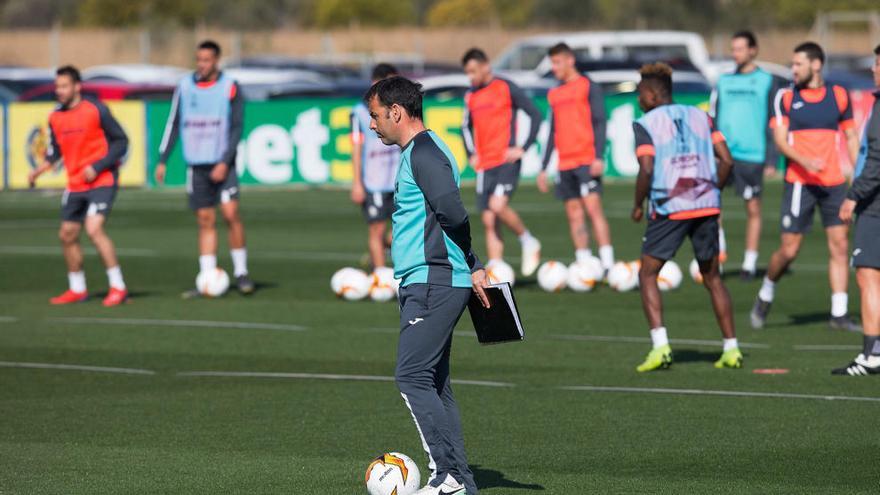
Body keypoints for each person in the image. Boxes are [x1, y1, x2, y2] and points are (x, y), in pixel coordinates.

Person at [364, 75, 489, 495]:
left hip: (433, 281)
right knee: (434, 382)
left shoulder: (425, 153)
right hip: (432, 279)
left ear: (396, 112)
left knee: (412, 376)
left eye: (376, 115)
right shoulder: (423, 151)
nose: (372, 124)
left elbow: (453, 212)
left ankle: (448, 477)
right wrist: (470, 264)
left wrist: (471, 261)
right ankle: (461, 481)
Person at [631, 63, 742, 372]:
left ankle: (660, 347)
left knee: (648, 273)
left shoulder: (645, 122)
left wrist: (637, 205)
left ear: (652, 95)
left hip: (671, 206)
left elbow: (647, 168)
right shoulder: (701, 115)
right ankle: (732, 349)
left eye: (641, 93)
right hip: (706, 206)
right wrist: (710, 191)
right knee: (713, 277)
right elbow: (727, 161)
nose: (639, 99)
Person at [750, 42, 861, 331]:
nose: (793, 69)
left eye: (798, 64)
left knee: (839, 246)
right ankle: (766, 291)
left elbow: (850, 138)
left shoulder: (838, 96)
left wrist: (858, 175)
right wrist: (805, 161)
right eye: (792, 64)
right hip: (800, 183)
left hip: (834, 185)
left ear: (816, 65)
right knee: (789, 251)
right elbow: (780, 140)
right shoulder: (785, 97)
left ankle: (839, 313)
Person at [156, 39, 254, 295]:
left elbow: (236, 126)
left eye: (206, 60)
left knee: (231, 214)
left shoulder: (230, 87)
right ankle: (207, 277)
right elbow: (174, 123)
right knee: (205, 219)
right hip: (196, 165)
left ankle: (241, 272)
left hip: (223, 163)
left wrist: (225, 161)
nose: (201, 64)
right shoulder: (185, 86)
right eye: (198, 59)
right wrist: (163, 159)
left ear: (216, 61)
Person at [28, 65, 129, 307]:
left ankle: (118, 286)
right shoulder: (55, 117)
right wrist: (39, 170)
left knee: (94, 229)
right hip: (75, 183)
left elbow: (121, 141)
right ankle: (77, 288)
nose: (59, 91)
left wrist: (99, 165)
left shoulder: (96, 110)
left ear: (77, 87)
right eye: (57, 86)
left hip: (102, 180)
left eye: (64, 86)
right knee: (67, 234)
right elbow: (56, 152)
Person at [461, 48, 542, 276]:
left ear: (486, 66)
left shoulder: (505, 87)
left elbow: (535, 114)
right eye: (467, 72)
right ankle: (496, 266)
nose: (471, 76)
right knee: (488, 218)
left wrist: (522, 148)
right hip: (484, 165)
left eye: (473, 71)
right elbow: (464, 126)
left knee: (497, 206)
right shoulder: (471, 95)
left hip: (506, 160)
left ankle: (528, 241)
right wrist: (471, 153)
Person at [538, 42, 615, 273]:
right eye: (552, 63)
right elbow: (553, 130)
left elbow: (600, 121)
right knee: (573, 213)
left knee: (593, 209)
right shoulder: (554, 92)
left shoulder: (588, 86)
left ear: (570, 60)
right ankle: (584, 263)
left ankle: (608, 263)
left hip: (586, 159)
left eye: (557, 62)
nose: (554, 67)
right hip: (565, 163)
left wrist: (599, 156)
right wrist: (544, 167)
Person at [710, 30, 778, 280]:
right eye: (733, 48)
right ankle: (718, 251)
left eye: (739, 48)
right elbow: (713, 118)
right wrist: (712, 150)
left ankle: (750, 262)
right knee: (711, 204)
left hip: (753, 154)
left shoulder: (766, 81)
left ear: (753, 50)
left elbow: (774, 120)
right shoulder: (723, 81)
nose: (735, 53)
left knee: (753, 208)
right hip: (724, 154)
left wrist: (772, 157)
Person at [833, 44, 880, 375]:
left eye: (878, 64)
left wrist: (854, 195)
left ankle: (872, 354)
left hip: (875, 201)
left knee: (867, 275)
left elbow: (877, 160)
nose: (874, 70)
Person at [350, 63, 400, 270]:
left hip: (398, 178)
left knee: (401, 230)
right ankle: (381, 275)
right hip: (374, 181)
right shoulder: (360, 112)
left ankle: (383, 250)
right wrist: (357, 183)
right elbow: (356, 147)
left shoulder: (398, 108)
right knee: (376, 229)